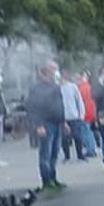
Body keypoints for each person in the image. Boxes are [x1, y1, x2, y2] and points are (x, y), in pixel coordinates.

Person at [25, 62, 66, 191]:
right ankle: (47, 182)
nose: (55, 72)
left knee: (54, 153)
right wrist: (39, 125)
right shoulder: (36, 88)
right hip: (46, 124)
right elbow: (33, 108)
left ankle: (53, 179)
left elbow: (60, 104)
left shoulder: (55, 86)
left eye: (55, 69)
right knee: (45, 154)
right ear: (44, 73)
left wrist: (63, 121)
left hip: (57, 123)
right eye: (53, 70)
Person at [59, 70, 87, 161]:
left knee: (77, 136)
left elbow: (79, 101)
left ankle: (80, 154)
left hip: (74, 116)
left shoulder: (73, 87)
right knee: (65, 138)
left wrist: (81, 114)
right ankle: (67, 156)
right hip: (63, 117)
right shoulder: (57, 88)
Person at [76, 72, 99, 156]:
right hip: (92, 111)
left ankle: (90, 150)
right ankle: (92, 148)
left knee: (86, 132)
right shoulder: (89, 87)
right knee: (90, 131)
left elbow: (79, 102)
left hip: (84, 112)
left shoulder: (80, 89)